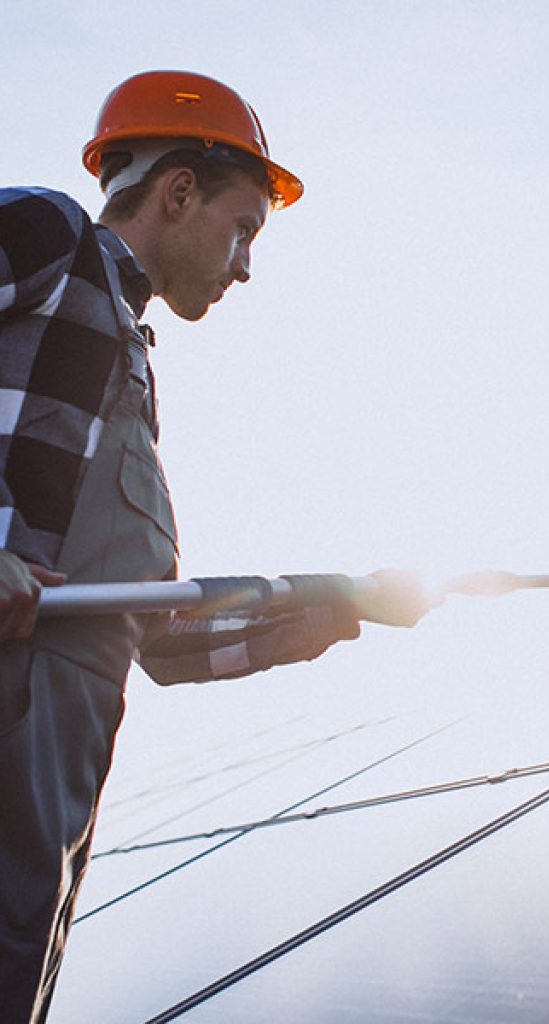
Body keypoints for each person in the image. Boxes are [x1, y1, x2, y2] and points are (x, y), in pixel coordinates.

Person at [0, 70, 434, 1023]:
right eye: (245, 231)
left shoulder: (128, 379)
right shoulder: (44, 232)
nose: (244, 267)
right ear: (179, 191)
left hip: (37, 849)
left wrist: (345, 604)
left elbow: (159, 640)